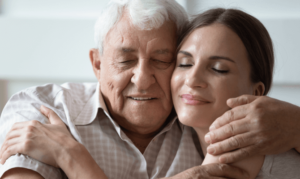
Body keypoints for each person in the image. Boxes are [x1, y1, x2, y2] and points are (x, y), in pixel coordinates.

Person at [1, 0, 300, 179]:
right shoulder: (45, 112)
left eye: (162, 60)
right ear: (97, 64)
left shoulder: (252, 134)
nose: (142, 79)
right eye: (125, 60)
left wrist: (72, 159)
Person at [171, 8, 300, 179]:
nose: (192, 80)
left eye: (219, 69)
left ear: (256, 92)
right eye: (185, 64)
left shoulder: (245, 141)